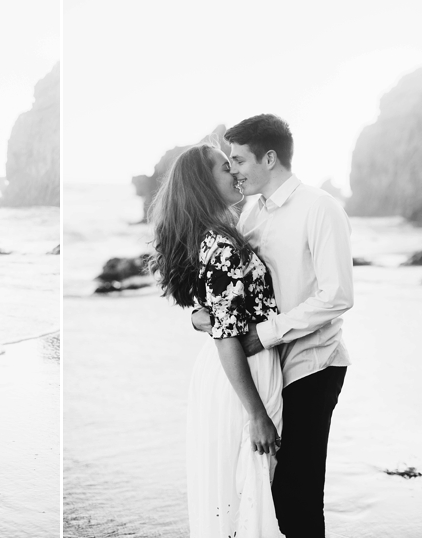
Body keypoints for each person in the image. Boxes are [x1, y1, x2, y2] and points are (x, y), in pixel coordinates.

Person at [191, 114, 354, 538]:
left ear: (269, 158)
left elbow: (337, 296)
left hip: (312, 364)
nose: (235, 171)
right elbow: (231, 289)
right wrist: (201, 316)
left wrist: (262, 335)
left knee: (297, 495)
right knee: (269, 489)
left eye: (239, 161)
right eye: (229, 163)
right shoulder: (249, 215)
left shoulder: (320, 208)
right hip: (270, 369)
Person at [149, 142, 284, 537]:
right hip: (241, 374)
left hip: (233, 369)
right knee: (247, 489)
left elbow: (213, 313)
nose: (236, 173)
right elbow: (227, 335)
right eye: (226, 168)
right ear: (205, 182)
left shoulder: (217, 234)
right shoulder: (221, 243)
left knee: (242, 490)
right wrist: (256, 415)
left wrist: (199, 318)